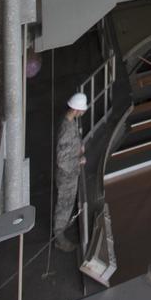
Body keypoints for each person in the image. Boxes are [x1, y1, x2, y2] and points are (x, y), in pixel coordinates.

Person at [54, 91, 88, 252]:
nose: (83, 112)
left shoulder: (70, 121)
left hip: (70, 174)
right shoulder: (67, 129)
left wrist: (80, 145)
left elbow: (73, 141)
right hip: (67, 176)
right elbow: (62, 160)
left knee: (66, 206)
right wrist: (78, 160)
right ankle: (59, 238)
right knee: (64, 206)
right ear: (76, 110)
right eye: (82, 110)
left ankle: (61, 233)